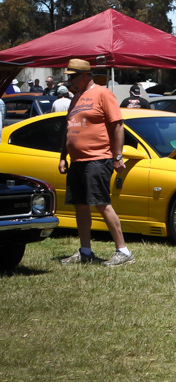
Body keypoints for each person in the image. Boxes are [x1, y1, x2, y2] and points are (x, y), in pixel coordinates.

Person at [57, 59, 133, 267]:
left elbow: (117, 125)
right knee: (80, 205)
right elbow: (69, 128)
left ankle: (123, 251)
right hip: (77, 161)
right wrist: (63, 156)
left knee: (101, 203)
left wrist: (117, 156)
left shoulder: (102, 93)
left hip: (97, 158)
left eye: (73, 77)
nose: (70, 81)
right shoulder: (75, 98)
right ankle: (85, 251)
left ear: (85, 76)